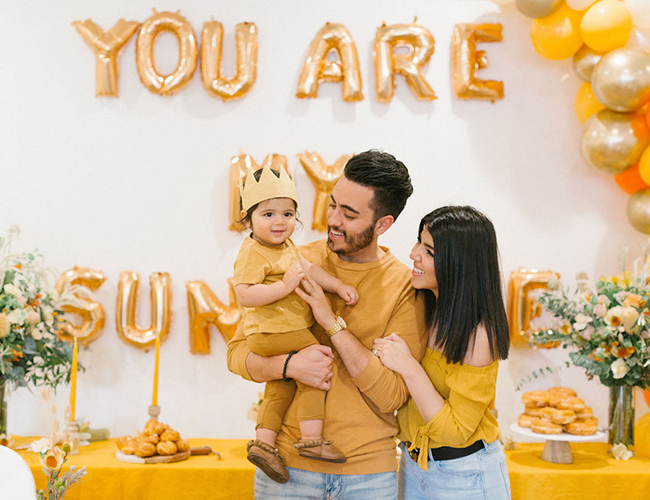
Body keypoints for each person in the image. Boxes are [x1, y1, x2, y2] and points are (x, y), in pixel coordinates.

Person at [227, 150, 427, 499]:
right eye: (333, 204)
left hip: (367, 475)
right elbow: (236, 354)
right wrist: (289, 365)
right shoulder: (293, 257)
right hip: (285, 471)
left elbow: (392, 394)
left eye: (348, 214)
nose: (332, 218)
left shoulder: (404, 286)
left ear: (382, 224)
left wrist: (331, 324)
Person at [372, 206, 511, 500]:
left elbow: (455, 431)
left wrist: (409, 367)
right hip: (414, 464)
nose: (413, 254)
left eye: (429, 251)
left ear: (459, 265)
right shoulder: (424, 307)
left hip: (464, 474)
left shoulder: (479, 333)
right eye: (419, 242)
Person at [234, 166, 359, 483]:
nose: (279, 222)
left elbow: (310, 270)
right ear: (247, 219)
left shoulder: (286, 247)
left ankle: (264, 444)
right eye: (268, 214)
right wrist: (285, 286)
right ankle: (312, 440)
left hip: (279, 333)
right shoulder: (252, 251)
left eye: (288, 213)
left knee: (280, 383)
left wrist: (336, 286)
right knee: (316, 366)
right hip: (273, 331)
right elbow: (245, 295)